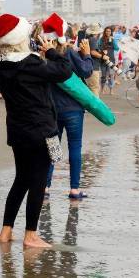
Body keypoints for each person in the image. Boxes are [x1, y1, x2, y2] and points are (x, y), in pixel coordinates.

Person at [0, 13, 73, 249]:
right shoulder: (30, 63)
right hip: (44, 129)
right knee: (39, 181)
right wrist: (53, 51)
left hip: (18, 130)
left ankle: (6, 230)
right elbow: (64, 71)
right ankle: (31, 235)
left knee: (21, 179)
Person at [41, 14, 94, 200]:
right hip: (73, 109)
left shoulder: (43, 57)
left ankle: (45, 187)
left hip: (52, 109)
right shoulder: (69, 53)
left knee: (52, 148)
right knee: (75, 148)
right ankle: (74, 189)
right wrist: (87, 54)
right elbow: (86, 71)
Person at [85, 23, 103, 96]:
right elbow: (93, 52)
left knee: (91, 87)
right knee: (94, 88)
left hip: (89, 66)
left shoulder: (89, 38)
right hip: (93, 67)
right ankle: (95, 103)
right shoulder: (93, 39)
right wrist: (102, 56)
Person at [98, 26, 116, 95]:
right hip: (103, 59)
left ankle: (111, 89)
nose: (108, 32)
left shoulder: (113, 39)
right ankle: (102, 89)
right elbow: (98, 47)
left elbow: (117, 48)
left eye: (109, 31)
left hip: (111, 59)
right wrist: (102, 51)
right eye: (107, 31)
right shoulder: (101, 39)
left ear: (111, 32)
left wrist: (113, 41)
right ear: (104, 32)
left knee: (111, 74)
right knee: (103, 75)